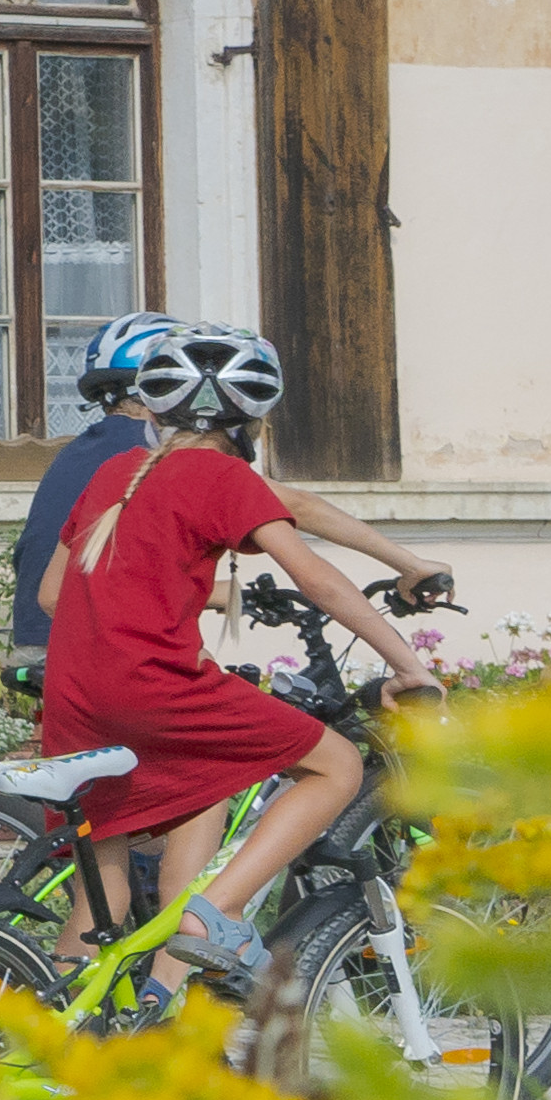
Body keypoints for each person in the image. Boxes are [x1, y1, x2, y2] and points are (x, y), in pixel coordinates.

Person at [37, 320, 444, 1000]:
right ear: (250, 419)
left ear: (157, 409)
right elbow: (316, 578)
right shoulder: (222, 477)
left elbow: (53, 594)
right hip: (156, 688)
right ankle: (211, 917)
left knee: (101, 878)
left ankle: (70, 1036)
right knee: (335, 764)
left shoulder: (115, 472)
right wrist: (409, 666)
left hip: (76, 695)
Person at [9, 311, 455, 660]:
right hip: (95, 643)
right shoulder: (148, 454)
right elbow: (299, 506)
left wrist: (218, 592)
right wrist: (408, 561)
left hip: (44, 634)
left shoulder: (89, 451)